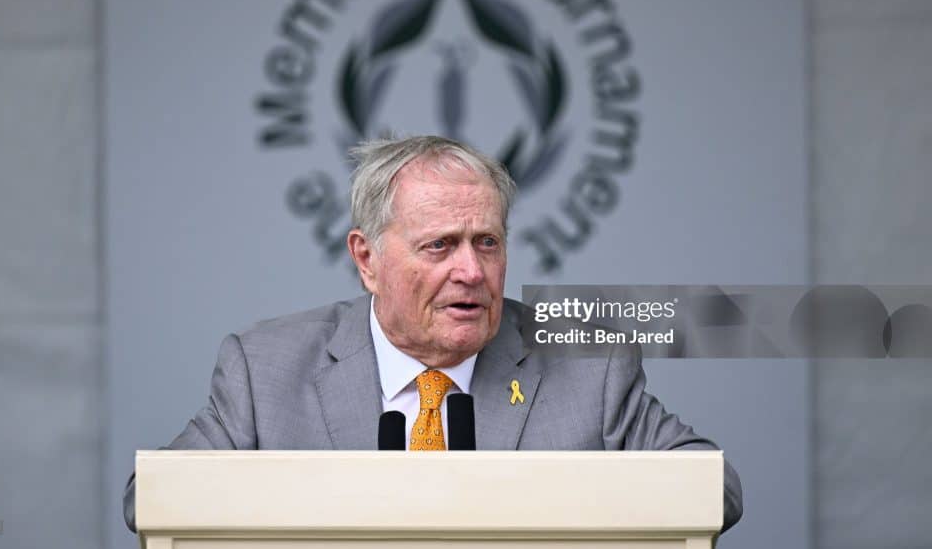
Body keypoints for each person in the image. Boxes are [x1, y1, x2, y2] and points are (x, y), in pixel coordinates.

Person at [123, 135, 743, 532]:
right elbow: (149, 500)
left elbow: (714, 489)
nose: (471, 271)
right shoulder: (264, 369)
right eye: (440, 245)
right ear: (367, 260)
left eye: (487, 243)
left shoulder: (586, 361)